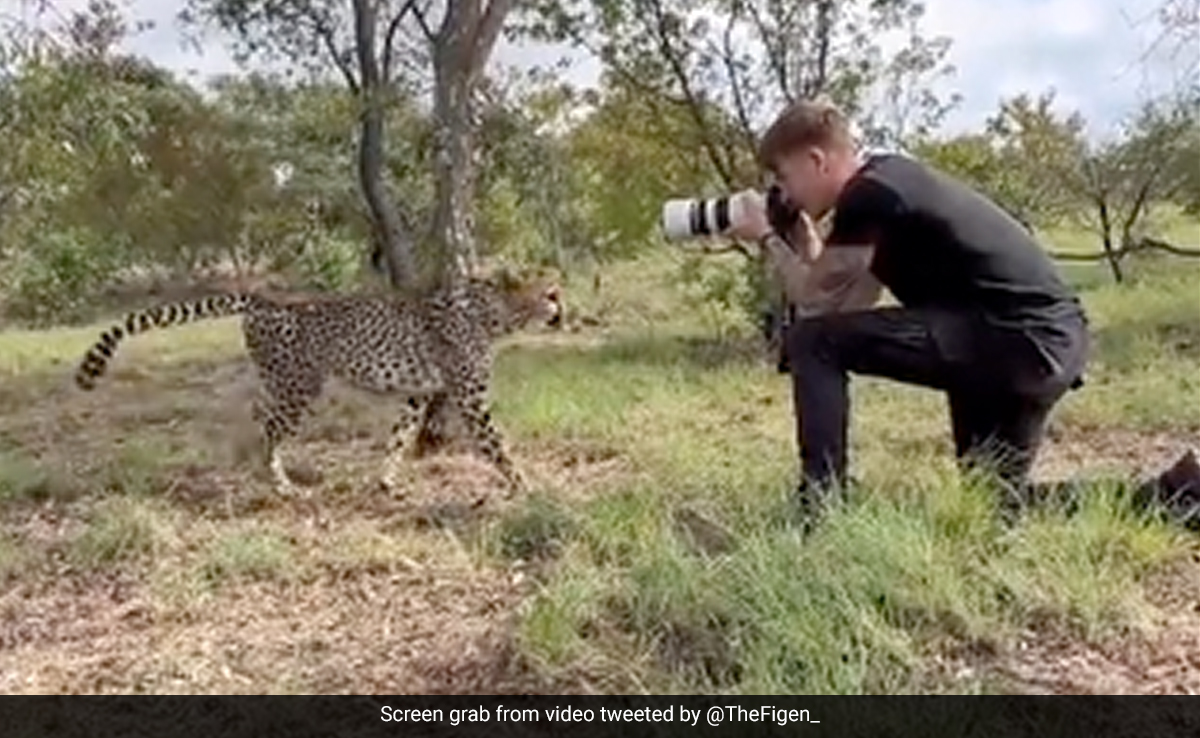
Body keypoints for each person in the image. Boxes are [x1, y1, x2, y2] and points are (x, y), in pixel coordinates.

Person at [727, 98, 1200, 528]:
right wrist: (800, 238)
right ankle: (1177, 497)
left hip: (1013, 340)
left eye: (784, 177)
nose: (784, 193)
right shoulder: (886, 185)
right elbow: (839, 304)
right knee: (991, 505)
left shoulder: (868, 196)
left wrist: (766, 236)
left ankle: (819, 508)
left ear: (817, 160)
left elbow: (816, 312)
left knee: (809, 341)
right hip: (1040, 343)